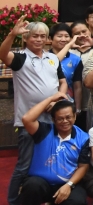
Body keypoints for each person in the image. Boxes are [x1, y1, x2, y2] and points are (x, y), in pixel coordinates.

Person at [1, 17, 68, 205]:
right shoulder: (20, 58)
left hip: (52, 119)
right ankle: (13, 201)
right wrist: (12, 35)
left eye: (42, 36)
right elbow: (2, 54)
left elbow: (62, 82)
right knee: (24, 165)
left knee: (47, 162)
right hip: (28, 122)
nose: (39, 39)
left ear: (47, 39)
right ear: (26, 38)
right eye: (35, 36)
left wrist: (59, 97)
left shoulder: (53, 58)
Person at [20, 93, 90, 205]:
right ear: (53, 120)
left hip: (67, 183)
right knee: (31, 186)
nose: (65, 121)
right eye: (60, 119)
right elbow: (26, 119)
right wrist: (51, 98)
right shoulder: (44, 131)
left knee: (77, 201)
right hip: (41, 183)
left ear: (75, 116)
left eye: (68, 117)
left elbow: (83, 166)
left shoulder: (84, 138)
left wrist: (69, 185)